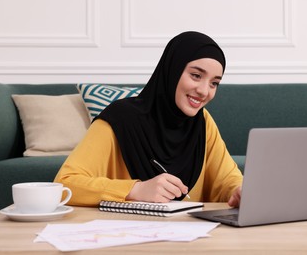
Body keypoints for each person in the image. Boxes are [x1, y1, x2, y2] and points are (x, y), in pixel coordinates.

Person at [54, 31, 243, 207]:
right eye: (196, 75)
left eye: (214, 83)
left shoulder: (202, 122)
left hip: (191, 238)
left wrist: (239, 191)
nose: (204, 91)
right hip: (125, 234)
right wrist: (134, 190)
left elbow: (226, 178)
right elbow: (64, 184)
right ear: (172, 70)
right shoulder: (119, 119)